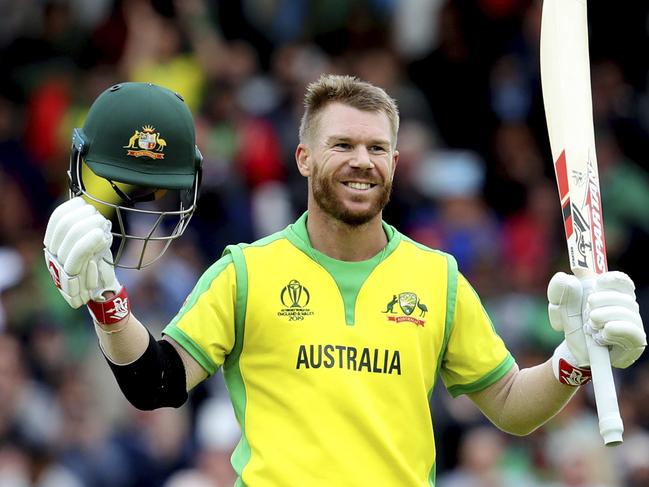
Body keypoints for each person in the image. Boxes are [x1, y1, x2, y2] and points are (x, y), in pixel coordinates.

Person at [43, 74, 646, 486]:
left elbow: (512, 406)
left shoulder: (437, 278)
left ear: (395, 163)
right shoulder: (245, 271)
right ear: (304, 158)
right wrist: (107, 303)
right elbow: (156, 384)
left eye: (377, 147)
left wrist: (573, 358)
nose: (363, 159)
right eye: (343, 144)